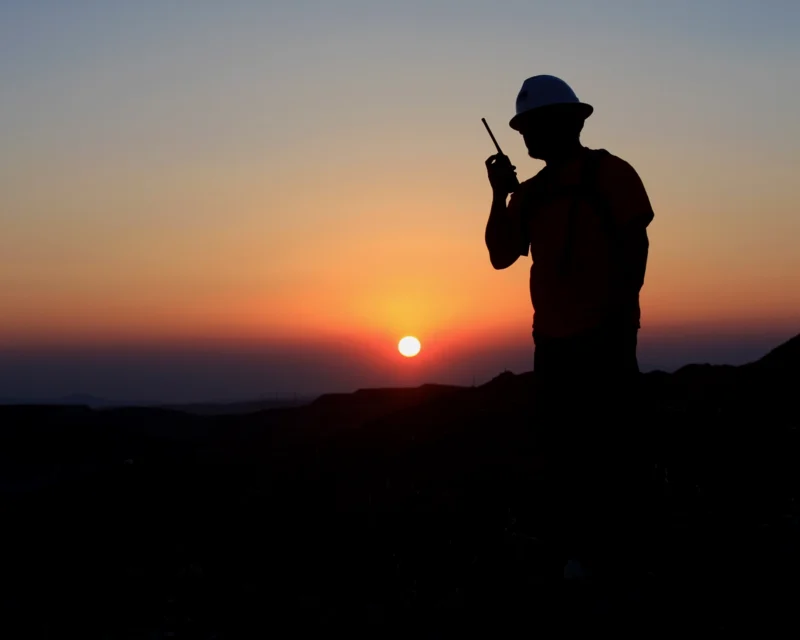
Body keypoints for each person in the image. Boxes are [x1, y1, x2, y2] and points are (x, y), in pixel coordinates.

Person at [484, 75, 655, 598]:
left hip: (602, 338)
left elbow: (636, 251)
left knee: (606, 453)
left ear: (566, 124)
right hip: (556, 344)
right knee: (568, 455)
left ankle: (616, 558)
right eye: (522, 129)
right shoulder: (529, 195)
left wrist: (616, 315)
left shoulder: (610, 172)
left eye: (532, 126)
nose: (526, 137)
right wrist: (499, 195)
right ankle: (585, 555)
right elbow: (500, 255)